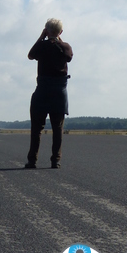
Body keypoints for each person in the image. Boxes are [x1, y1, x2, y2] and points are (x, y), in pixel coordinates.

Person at [25, 18, 73, 169]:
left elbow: (30, 55)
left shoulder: (42, 46)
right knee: (57, 128)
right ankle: (55, 160)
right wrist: (59, 38)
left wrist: (41, 37)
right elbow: (69, 56)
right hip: (59, 93)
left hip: (42, 91)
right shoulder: (65, 47)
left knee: (36, 128)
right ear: (60, 32)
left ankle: (32, 160)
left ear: (46, 30)